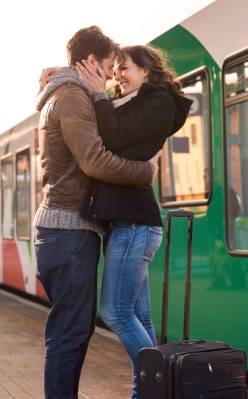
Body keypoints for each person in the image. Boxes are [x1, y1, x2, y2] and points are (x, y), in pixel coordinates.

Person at [33, 26, 160, 399]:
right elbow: (93, 160)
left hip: (69, 228)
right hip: (68, 229)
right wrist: (145, 172)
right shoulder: (71, 96)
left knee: (71, 330)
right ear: (90, 62)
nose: (109, 75)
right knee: (70, 333)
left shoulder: (70, 91)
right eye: (107, 66)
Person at [75, 45, 192, 399]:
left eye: (125, 68)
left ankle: (169, 387)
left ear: (147, 69)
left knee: (116, 312)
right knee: (140, 320)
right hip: (123, 225)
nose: (117, 76)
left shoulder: (160, 103)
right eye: (116, 70)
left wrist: (98, 94)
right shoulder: (125, 103)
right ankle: (146, 394)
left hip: (134, 225)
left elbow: (113, 138)